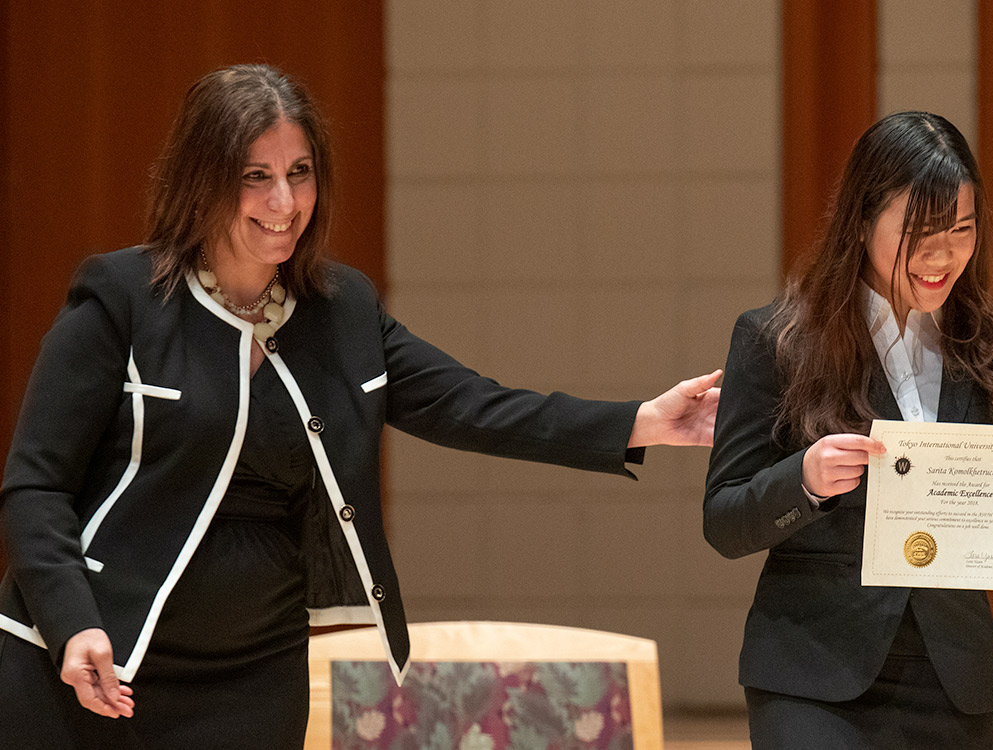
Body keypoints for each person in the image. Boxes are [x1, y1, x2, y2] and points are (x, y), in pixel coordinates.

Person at [0, 63, 720, 749]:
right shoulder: (121, 299)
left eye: (298, 173)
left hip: (253, 673)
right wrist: (71, 623)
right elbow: (35, 485)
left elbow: (474, 406)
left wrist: (641, 422)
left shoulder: (340, 312)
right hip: (94, 654)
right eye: (255, 177)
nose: (284, 203)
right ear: (201, 181)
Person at [703, 111, 993, 749]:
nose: (943, 255)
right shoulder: (776, 339)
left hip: (951, 674)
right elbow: (724, 520)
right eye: (918, 233)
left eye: (961, 230)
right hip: (812, 669)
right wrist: (801, 480)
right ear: (862, 222)